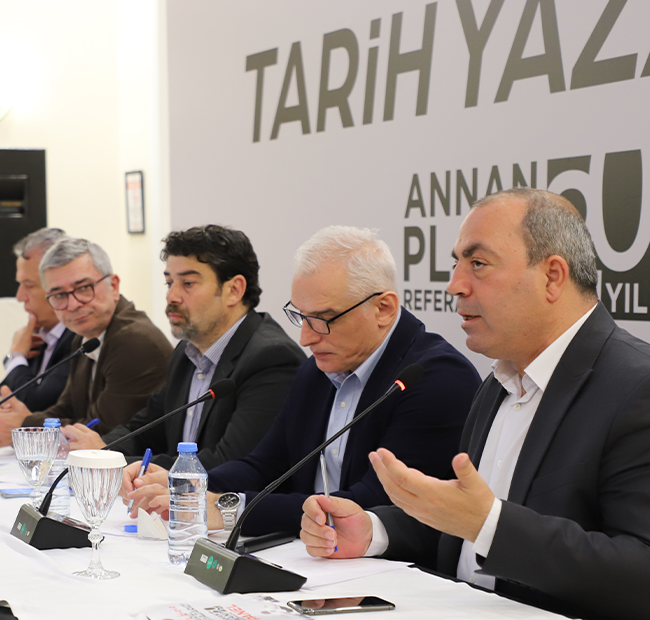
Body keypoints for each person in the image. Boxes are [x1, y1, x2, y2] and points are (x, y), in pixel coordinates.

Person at [299, 189, 650, 620]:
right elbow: (467, 525)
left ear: (552, 276)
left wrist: (487, 524)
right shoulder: (499, 383)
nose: (455, 285)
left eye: (478, 264)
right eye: (456, 263)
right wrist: (374, 530)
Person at [125, 226, 480, 537]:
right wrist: (185, 484)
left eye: (323, 320)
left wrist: (228, 507)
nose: (306, 338)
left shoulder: (434, 379)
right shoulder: (318, 370)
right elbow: (265, 464)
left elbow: (370, 503)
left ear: (383, 309)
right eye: (301, 316)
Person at [65, 225, 305, 474]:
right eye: (169, 282)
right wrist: (102, 449)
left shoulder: (271, 359)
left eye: (188, 283)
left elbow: (230, 464)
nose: (172, 296)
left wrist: (114, 460)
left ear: (234, 290)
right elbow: (145, 428)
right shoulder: (187, 352)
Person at [0, 238, 173, 448]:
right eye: (59, 295)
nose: (73, 304)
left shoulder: (133, 341)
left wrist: (25, 426)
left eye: (84, 288)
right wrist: (15, 422)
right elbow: (67, 409)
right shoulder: (84, 337)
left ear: (113, 286)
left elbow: (102, 432)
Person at [0, 227, 76, 411]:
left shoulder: (79, 337)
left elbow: (35, 404)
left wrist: (15, 357)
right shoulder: (38, 335)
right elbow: (3, 391)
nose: (20, 297)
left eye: (29, 286)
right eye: (20, 285)